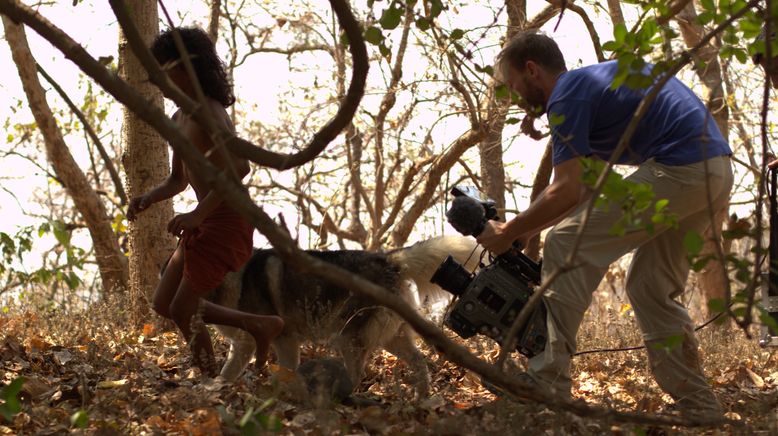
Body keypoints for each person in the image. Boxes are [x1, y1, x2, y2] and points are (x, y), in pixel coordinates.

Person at [476, 32, 732, 416]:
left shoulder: (568, 93)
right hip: (713, 172)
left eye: (514, 85)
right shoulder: (595, 88)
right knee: (648, 286)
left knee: (565, 242)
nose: (517, 98)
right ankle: (698, 404)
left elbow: (564, 190)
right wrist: (528, 230)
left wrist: (509, 231)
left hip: (681, 166)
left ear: (532, 70)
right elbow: (583, 190)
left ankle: (546, 384)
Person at [127, 27, 283, 377]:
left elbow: (239, 168)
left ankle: (210, 378)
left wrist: (199, 213)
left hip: (227, 219)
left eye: (163, 72)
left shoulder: (209, 113)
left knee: (185, 308)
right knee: (163, 304)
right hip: (205, 220)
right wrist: (148, 198)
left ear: (187, 69)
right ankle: (258, 324)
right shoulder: (178, 117)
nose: (158, 81)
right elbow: (178, 179)